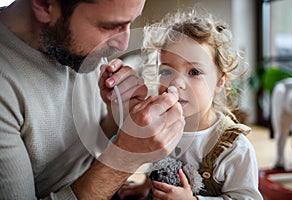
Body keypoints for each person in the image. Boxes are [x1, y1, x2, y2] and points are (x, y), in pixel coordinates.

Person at [0, 0, 185, 199]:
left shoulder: (75, 47)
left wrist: (119, 114)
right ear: (45, 5)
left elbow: (91, 143)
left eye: (130, 22)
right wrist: (125, 159)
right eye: (109, 26)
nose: (122, 43)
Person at [117, 8, 263, 199]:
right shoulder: (160, 127)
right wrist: (146, 187)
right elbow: (159, 166)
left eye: (194, 72)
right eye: (167, 72)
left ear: (220, 81)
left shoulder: (234, 148)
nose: (176, 83)